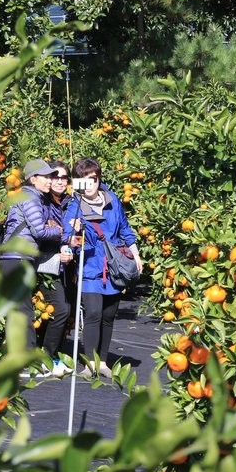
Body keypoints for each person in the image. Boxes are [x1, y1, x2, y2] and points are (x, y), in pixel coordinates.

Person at [62, 157, 143, 378]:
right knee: (94, 314)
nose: (91, 184)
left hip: (113, 266)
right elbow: (68, 241)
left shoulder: (112, 200)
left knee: (108, 315)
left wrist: (136, 254)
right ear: (78, 182)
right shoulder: (75, 205)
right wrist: (76, 234)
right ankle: (89, 363)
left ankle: (103, 362)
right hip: (90, 267)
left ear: (99, 179)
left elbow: (125, 229)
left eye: (94, 179)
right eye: (85, 180)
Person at [0, 158, 63, 367]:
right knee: (24, 311)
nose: (50, 181)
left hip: (16, 258)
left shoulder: (33, 197)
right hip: (15, 259)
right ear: (33, 179)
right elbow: (40, 231)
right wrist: (60, 231)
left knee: (20, 310)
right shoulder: (30, 198)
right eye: (46, 177)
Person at [33, 160, 74, 376]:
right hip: (45, 265)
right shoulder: (43, 202)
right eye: (55, 177)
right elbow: (39, 233)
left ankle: (53, 355)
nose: (59, 181)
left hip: (65, 266)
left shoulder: (70, 202)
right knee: (60, 309)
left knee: (64, 312)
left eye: (63, 177)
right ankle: (46, 357)